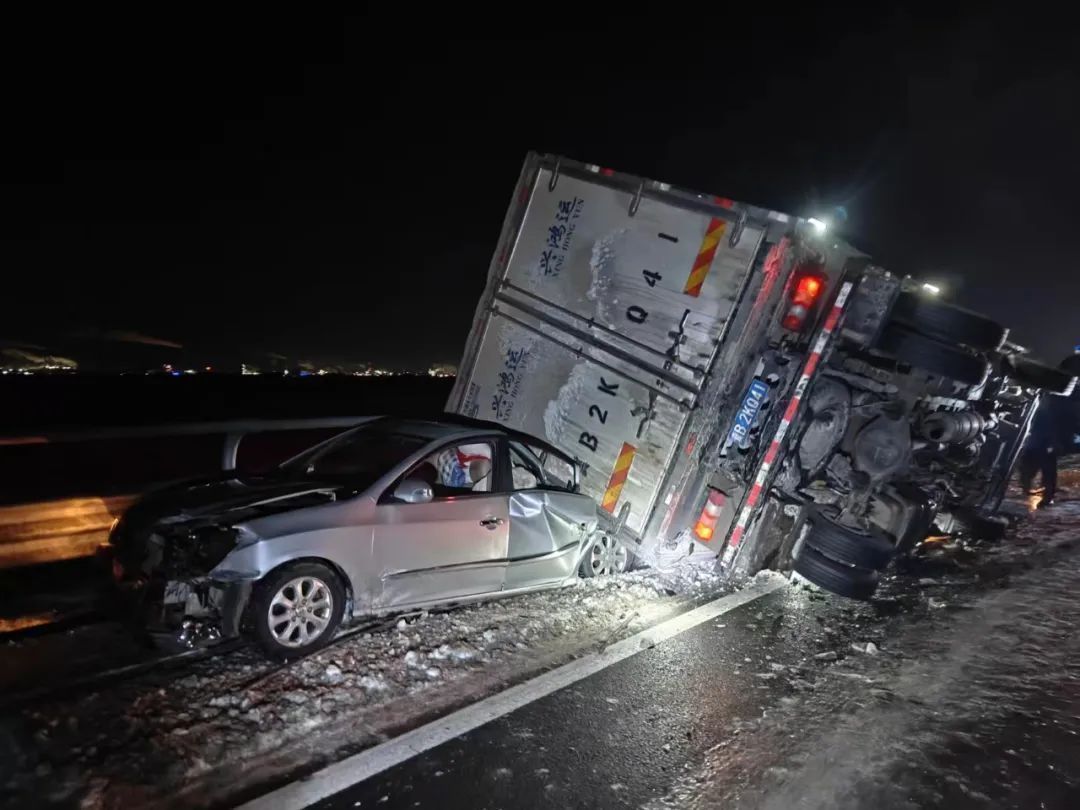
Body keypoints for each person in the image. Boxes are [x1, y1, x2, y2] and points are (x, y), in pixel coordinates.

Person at [1019, 347, 1080, 507]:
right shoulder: (1072, 363)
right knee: (1042, 455)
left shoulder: (1070, 362)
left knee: (1042, 455)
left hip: (1054, 418)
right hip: (1054, 417)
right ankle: (1041, 493)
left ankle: (1042, 493)